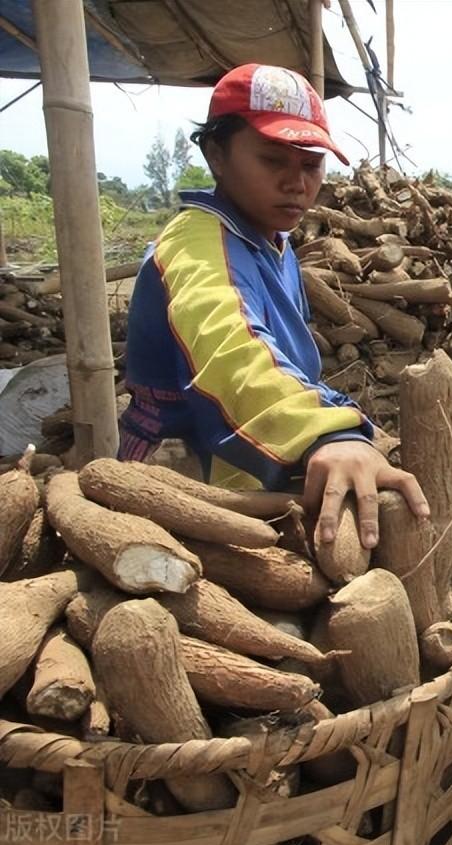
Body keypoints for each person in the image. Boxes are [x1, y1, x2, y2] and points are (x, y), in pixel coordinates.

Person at [118, 64, 429, 550]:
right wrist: (326, 434)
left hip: (255, 448)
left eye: (310, 166)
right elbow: (234, 354)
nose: (296, 184)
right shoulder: (198, 244)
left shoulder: (272, 241)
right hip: (183, 469)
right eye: (271, 160)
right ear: (216, 155)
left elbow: (281, 359)